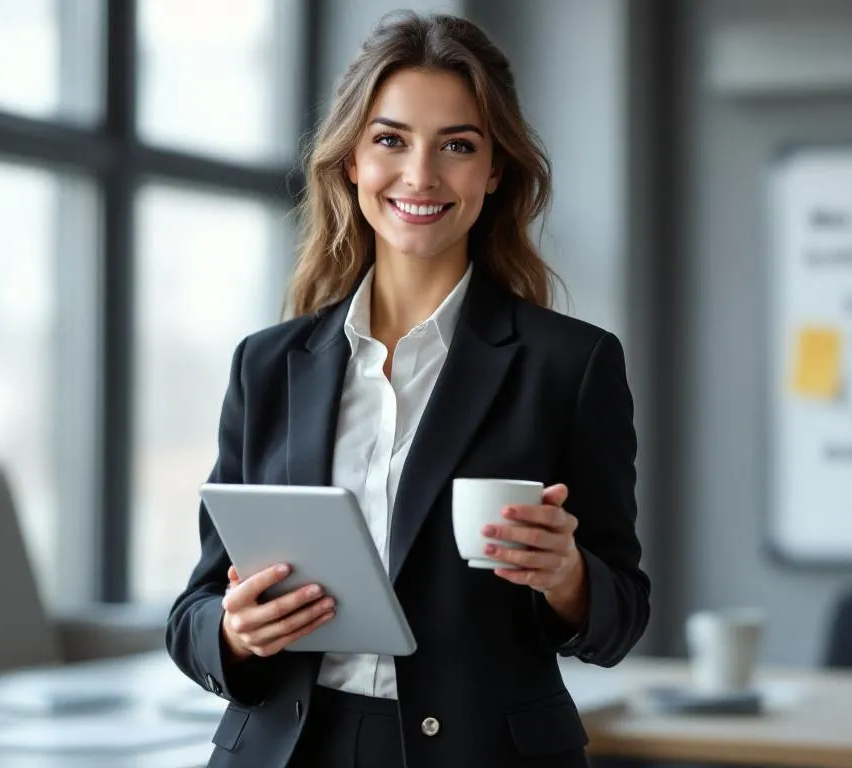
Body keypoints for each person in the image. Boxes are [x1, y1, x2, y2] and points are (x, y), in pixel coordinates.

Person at [166, 10, 649, 768]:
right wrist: (232, 631)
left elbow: (623, 615)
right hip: (288, 750)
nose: (420, 175)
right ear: (352, 160)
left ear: (494, 172)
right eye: (391, 140)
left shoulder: (570, 365)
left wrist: (571, 577)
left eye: (457, 146)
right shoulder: (268, 367)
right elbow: (194, 608)